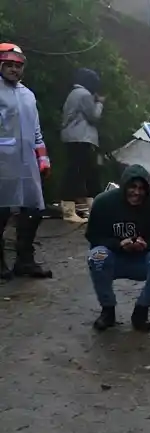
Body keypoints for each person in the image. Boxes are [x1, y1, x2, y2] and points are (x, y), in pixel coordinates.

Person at [86, 165, 150, 332]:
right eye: (132, 187)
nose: (137, 192)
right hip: (113, 258)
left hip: (142, 259)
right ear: (124, 186)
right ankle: (108, 310)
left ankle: (141, 311)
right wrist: (118, 244)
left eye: (141, 188)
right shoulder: (103, 202)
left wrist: (146, 244)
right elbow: (93, 236)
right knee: (96, 256)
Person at [0, 43, 53, 280]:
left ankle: (25, 259)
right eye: (8, 65)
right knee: (1, 211)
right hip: (2, 162)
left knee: (32, 210)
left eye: (17, 66)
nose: (13, 70)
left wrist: (43, 158)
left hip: (27, 162)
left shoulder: (28, 95)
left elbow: (36, 131)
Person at [60, 67, 104, 224]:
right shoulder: (84, 94)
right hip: (80, 137)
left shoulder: (74, 93)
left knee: (87, 172)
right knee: (76, 173)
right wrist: (99, 103)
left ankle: (91, 208)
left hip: (74, 137)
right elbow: (94, 116)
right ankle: (69, 211)